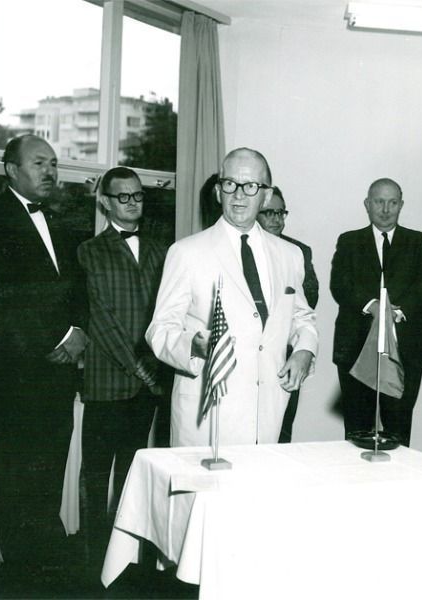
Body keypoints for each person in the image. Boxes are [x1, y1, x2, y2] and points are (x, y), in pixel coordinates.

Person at [146, 148, 318, 446]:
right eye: (230, 184)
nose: (238, 195)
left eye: (250, 186)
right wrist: (193, 346)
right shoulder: (186, 253)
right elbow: (159, 330)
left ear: (266, 196)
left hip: (268, 412)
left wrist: (305, 350)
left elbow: (301, 317)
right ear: (218, 191)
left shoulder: (290, 255)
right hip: (206, 415)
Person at [0, 135, 87, 578]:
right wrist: (55, 340)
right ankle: (22, 578)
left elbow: (78, 288)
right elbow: (0, 299)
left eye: (54, 164)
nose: (50, 172)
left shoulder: (59, 222)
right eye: (39, 163)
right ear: (11, 169)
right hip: (16, 380)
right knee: (18, 483)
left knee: (49, 477)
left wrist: (78, 331)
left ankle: (47, 573)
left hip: (59, 379)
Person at [77, 166, 167, 573]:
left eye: (138, 195)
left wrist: (153, 367)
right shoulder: (88, 251)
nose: (132, 203)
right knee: (97, 476)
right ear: (105, 202)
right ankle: (92, 561)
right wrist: (140, 367)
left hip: (147, 388)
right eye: (123, 196)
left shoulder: (161, 251)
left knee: (135, 477)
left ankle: (126, 562)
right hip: (106, 382)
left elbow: (166, 314)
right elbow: (100, 318)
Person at [330, 178, 422, 445]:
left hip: (405, 351)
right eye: (379, 202)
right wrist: (373, 307)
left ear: (401, 205)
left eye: (392, 202)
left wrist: (396, 313)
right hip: (355, 350)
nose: (386, 209)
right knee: (356, 430)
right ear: (367, 204)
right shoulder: (349, 241)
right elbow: (340, 285)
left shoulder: (418, 241)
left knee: (398, 430)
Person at [256, 185, 319, 442]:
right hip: (249, 356)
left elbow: (309, 299)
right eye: (269, 213)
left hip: (287, 355)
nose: (277, 219)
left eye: (281, 213)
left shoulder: (297, 251)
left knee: (281, 430)